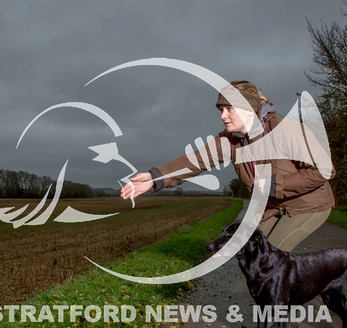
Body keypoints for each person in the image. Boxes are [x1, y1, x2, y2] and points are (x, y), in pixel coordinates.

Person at [120, 80, 335, 252]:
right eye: (221, 109)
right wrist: (154, 178)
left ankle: (284, 302)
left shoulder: (284, 130)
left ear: (249, 108)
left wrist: (274, 185)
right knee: (251, 251)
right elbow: (195, 161)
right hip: (273, 208)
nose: (223, 116)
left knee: (273, 259)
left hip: (309, 205)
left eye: (229, 108)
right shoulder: (230, 141)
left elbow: (325, 169)